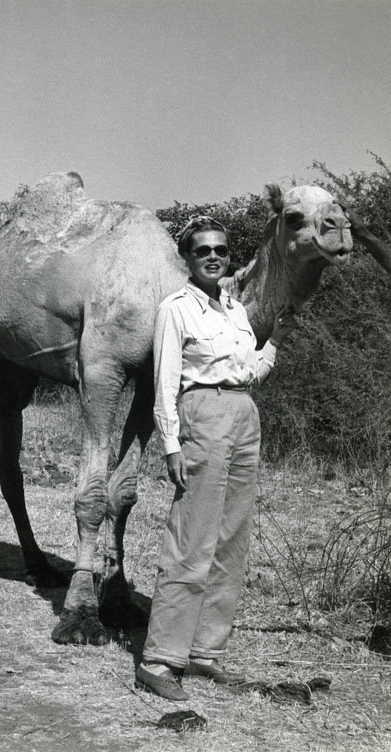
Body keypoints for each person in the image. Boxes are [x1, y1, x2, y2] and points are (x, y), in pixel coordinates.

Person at [135, 216, 296, 701]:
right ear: (187, 257)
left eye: (220, 250)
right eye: (202, 249)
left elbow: (249, 371)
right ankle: (159, 659)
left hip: (245, 414)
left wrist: (275, 343)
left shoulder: (236, 311)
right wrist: (170, 444)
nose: (212, 256)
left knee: (231, 540)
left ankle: (205, 652)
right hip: (201, 414)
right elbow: (164, 384)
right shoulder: (175, 309)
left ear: (229, 258)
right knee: (192, 538)